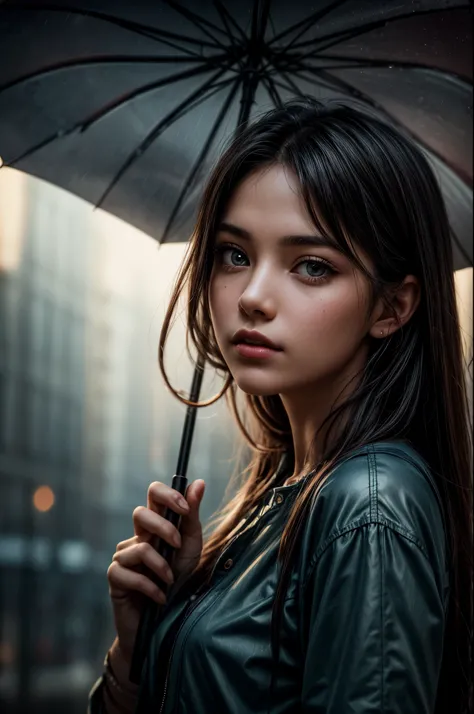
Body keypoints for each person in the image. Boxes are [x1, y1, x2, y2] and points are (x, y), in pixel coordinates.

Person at [88, 97, 472, 714]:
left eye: (311, 266)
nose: (254, 297)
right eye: (235, 255)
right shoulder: (286, 494)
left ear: (391, 307)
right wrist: (142, 644)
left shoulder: (368, 503)